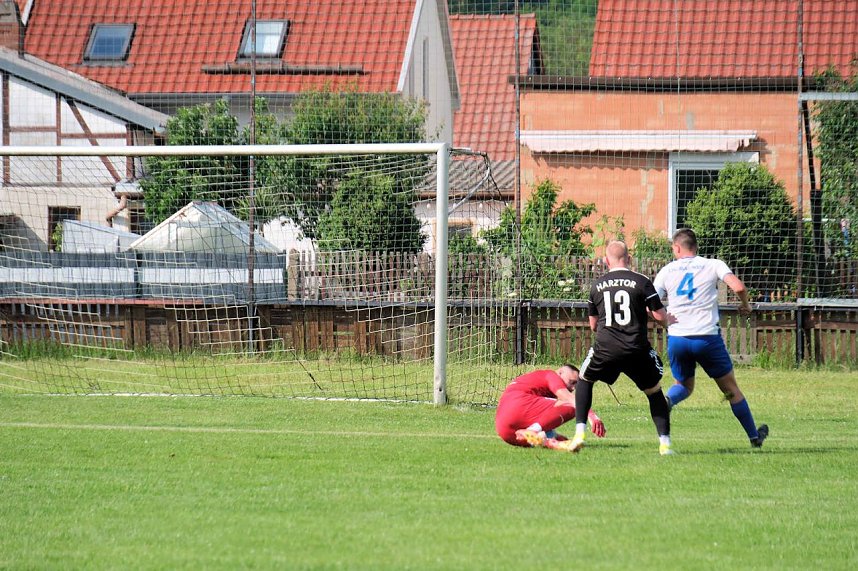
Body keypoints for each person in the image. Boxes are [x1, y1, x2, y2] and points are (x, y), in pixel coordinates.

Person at [653, 228, 769, 448]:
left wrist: (664, 321)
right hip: (706, 338)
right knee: (730, 390)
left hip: (678, 338)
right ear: (696, 246)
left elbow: (650, 304)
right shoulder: (713, 264)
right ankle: (754, 437)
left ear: (677, 248)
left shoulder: (667, 270)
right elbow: (739, 287)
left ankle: (668, 400)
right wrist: (746, 305)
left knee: (684, 386)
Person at [569, 240, 675, 455]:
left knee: (585, 379)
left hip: (606, 347)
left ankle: (579, 434)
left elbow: (593, 325)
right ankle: (665, 444)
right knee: (654, 391)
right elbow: (659, 315)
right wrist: (667, 321)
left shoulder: (597, 285)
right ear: (629, 258)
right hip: (636, 348)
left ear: (606, 261)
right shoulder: (642, 282)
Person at [495, 364, 606, 451]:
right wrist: (592, 416)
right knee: (571, 406)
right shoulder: (551, 375)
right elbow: (570, 399)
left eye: (576, 386)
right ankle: (532, 431)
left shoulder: (534, 384)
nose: (573, 388)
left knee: (556, 438)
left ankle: (551, 442)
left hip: (506, 432)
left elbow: (543, 418)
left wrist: (555, 436)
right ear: (560, 372)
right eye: (572, 382)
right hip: (518, 405)